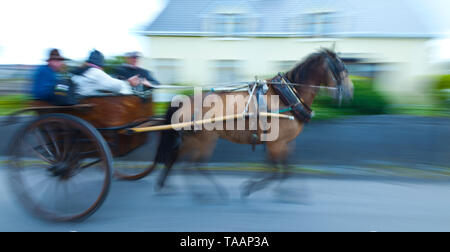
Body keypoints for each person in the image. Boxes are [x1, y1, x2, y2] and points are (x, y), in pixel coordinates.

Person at [71, 50, 144, 96]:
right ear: (100, 64)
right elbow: (117, 86)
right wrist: (129, 82)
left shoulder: (79, 72)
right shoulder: (95, 72)